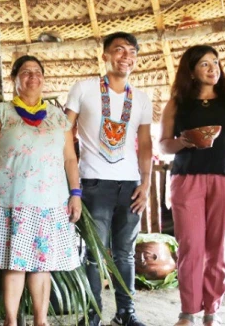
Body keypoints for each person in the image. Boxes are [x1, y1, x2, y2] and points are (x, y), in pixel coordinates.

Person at [0, 56, 81, 326]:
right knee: (15, 263)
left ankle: (40, 320)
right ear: (15, 79)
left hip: (51, 201)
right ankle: (11, 321)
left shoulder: (58, 117)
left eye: (37, 72)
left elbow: (70, 159)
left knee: (42, 264)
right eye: (25, 72)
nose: (32, 76)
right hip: (12, 200)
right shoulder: (0, 112)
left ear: (44, 79)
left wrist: (75, 194)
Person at [160, 45, 225, 326]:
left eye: (215, 62)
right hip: (187, 179)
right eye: (204, 64)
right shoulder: (177, 103)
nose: (213, 68)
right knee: (190, 246)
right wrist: (186, 141)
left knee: (220, 246)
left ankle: (212, 311)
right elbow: (164, 144)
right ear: (191, 70)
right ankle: (188, 312)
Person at [65, 32, 152, 326]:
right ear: (104, 56)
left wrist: (146, 184)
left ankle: (126, 314)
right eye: (119, 50)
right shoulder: (84, 88)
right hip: (93, 183)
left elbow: (146, 143)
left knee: (125, 254)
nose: (125, 56)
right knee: (93, 253)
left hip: (130, 185)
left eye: (131, 51)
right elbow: (66, 132)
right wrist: (73, 184)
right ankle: (91, 315)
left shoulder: (140, 99)